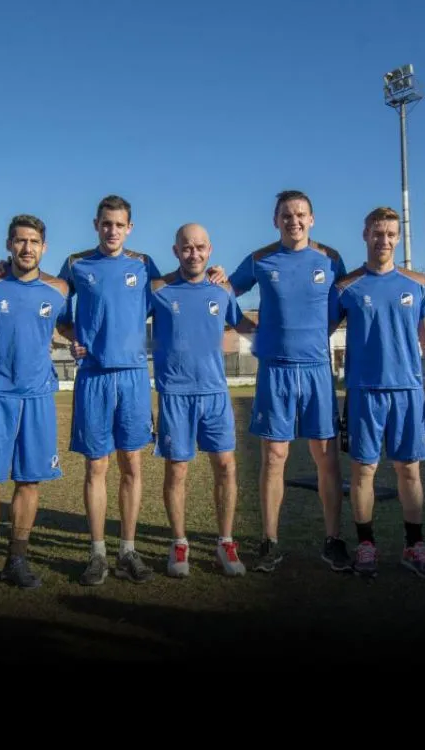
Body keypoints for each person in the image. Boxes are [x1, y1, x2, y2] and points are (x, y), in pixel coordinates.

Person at [208, 190, 350, 574]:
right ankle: (269, 541)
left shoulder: (331, 258)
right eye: (287, 215)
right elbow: (224, 291)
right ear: (276, 220)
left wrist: (317, 337)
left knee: (327, 457)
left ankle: (334, 540)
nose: (295, 221)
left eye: (301, 214)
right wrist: (238, 314)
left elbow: (342, 308)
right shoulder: (260, 258)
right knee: (274, 458)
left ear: (312, 218)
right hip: (275, 371)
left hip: (317, 371)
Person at [328, 206, 425, 580]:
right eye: (377, 233)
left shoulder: (417, 283)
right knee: (363, 471)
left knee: (409, 471)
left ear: (397, 239)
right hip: (364, 392)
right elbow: (317, 333)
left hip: (409, 393)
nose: (384, 240)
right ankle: (366, 546)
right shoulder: (346, 287)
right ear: (365, 235)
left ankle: (414, 546)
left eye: (391, 235)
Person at [0, 215, 70, 604]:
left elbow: (74, 327)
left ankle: (17, 560)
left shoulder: (58, 290)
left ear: (44, 247)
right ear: (9, 244)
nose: (27, 248)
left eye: (34, 241)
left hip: (38, 398)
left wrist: (80, 344)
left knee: (29, 481)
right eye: (20, 241)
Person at [58, 195, 160, 586]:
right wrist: (72, 337)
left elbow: (171, 296)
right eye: (106, 223)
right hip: (94, 378)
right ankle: (98, 552)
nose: (112, 230)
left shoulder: (143, 264)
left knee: (132, 465)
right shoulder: (76, 264)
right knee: (96, 466)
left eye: (120, 224)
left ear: (129, 227)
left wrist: (214, 275)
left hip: (133, 377)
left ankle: (128, 550)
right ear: (96, 224)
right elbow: (52, 302)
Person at [149, 223, 256, 578]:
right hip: (175, 396)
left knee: (226, 466)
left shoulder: (222, 293)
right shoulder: (159, 291)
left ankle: (225, 541)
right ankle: (179, 543)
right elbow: (121, 319)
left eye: (200, 247)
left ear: (209, 251)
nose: (193, 253)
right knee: (177, 470)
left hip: (215, 395)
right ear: (175, 250)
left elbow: (245, 327)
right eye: (186, 247)